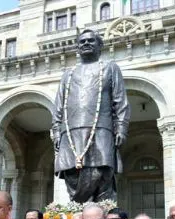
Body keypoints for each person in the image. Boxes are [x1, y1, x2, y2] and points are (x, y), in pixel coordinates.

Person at [51, 29, 130, 203]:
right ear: (77, 48)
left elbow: (120, 101)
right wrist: (57, 132)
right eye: (82, 42)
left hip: (101, 130)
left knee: (101, 174)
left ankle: (101, 215)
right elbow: (58, 106)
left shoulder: (110, 68)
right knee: (72, 174)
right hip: (70, 134)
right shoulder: (68, 75)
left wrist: (121, 127)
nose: (86, 43)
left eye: (91, 41)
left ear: (100, 45)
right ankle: (77, 216)